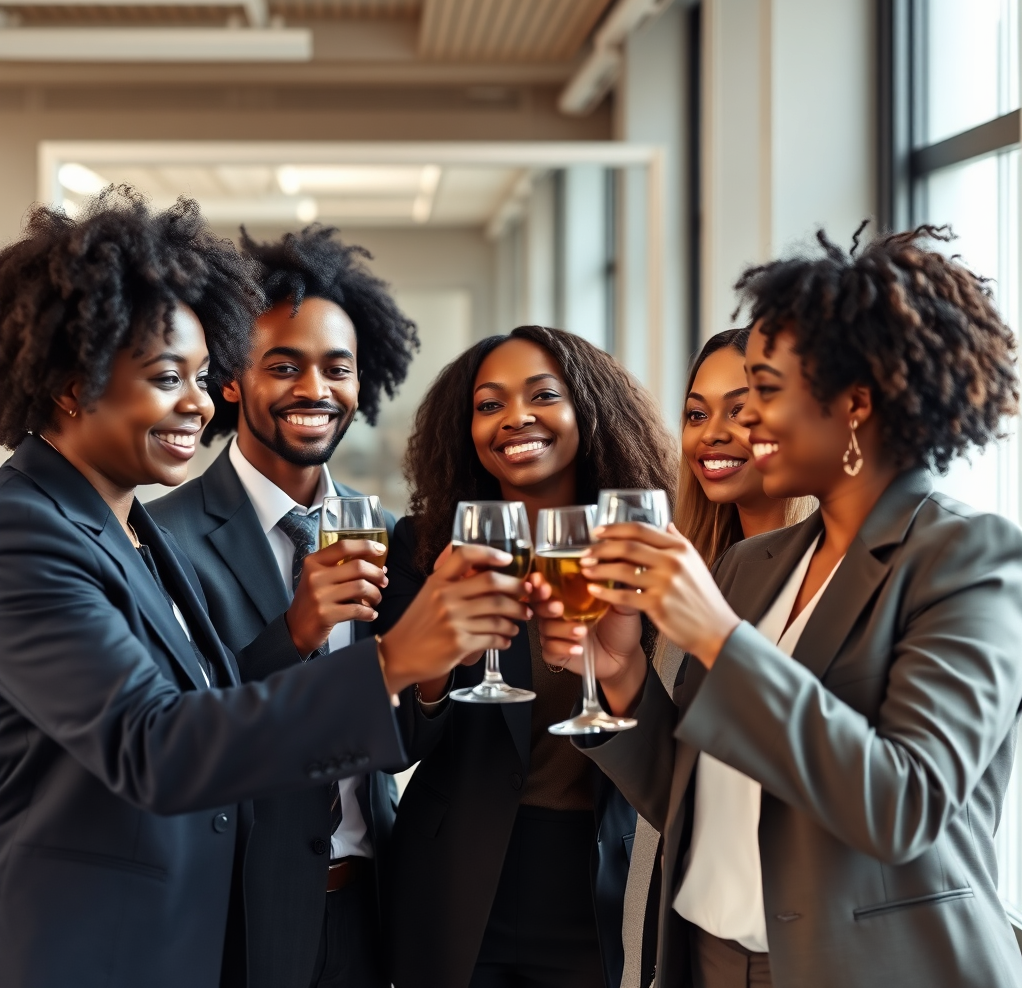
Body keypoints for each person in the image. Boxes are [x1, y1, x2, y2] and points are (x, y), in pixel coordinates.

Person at [0, 190, 530, 988]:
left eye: (201, 374)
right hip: (105, 946)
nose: (196, 401)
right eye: (166, 376)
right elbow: (156, 743)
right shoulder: (23, 530)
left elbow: (221, 695)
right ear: (73, 383)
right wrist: (384, 662)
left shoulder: (126, 528)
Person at [538, 226, 1022, 988]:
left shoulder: (969, 557)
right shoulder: (754, 563)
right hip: (706, 959)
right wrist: (623, 673)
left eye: (766, 391)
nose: (745, 421)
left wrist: (719, 637)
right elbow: (693, 793)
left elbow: (903, 805)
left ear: (855, 404)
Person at [150, 225, 418, 988]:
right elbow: (172, 738)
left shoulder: (389, 534)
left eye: (338, 368)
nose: (315, 390)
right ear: (231, 381)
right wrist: (294, 634)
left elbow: (406, 731)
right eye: (283, 366)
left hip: (370, 913)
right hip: (233, 918)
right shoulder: (163, 538)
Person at [375, 326, 678, 988]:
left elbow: (671, 739)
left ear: (588, 411)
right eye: (489, 405)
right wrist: (436, 651)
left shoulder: (637, 549)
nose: (514, 418)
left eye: (543, 394)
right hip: (454, 877)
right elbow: (396, 741)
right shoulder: (426, 547)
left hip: (597, 878)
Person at [620, 328, 813, 988]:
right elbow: (673, 792)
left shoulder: (842, 580)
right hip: (698, 943)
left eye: (743, 407)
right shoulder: (689, 575)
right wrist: (618, 672)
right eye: (697, 414)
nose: (713, 434)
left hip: (812, 946)